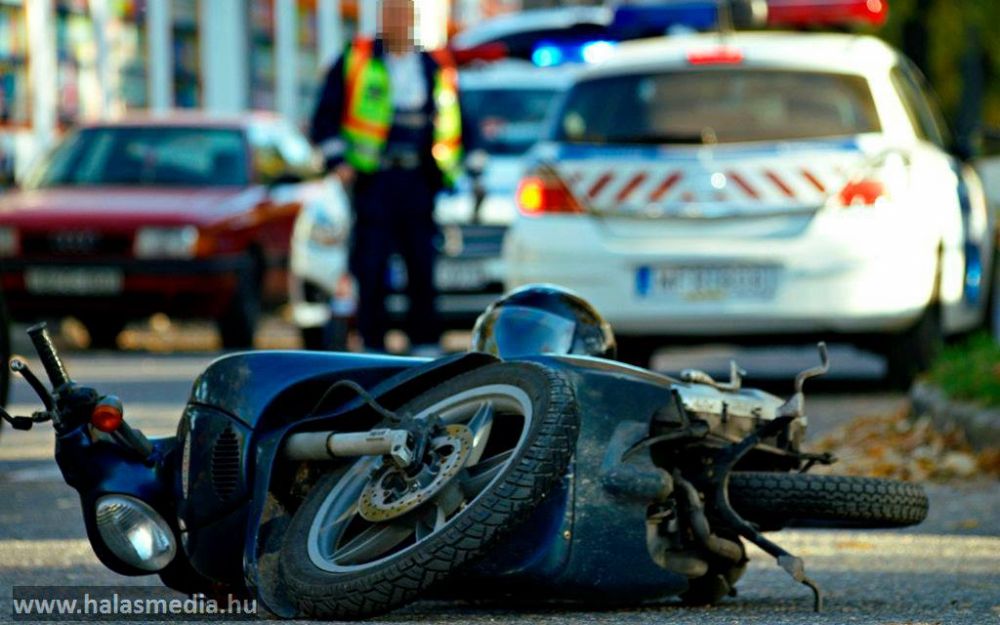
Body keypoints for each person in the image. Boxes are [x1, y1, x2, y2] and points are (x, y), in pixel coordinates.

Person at [310, 0, 463, 355]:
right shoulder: (357, 58)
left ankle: (425, 343)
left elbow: (455, 119)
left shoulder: (432, 64)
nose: (398, 19)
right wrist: (340, 162)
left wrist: (454, 170)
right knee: (372, 264)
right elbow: (324, 118)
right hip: (375, 181)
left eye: (404, 12)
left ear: (413, 18)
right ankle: (372, 343)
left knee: (421, 263)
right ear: (381, 17)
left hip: (418, 180)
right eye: (391, 11)